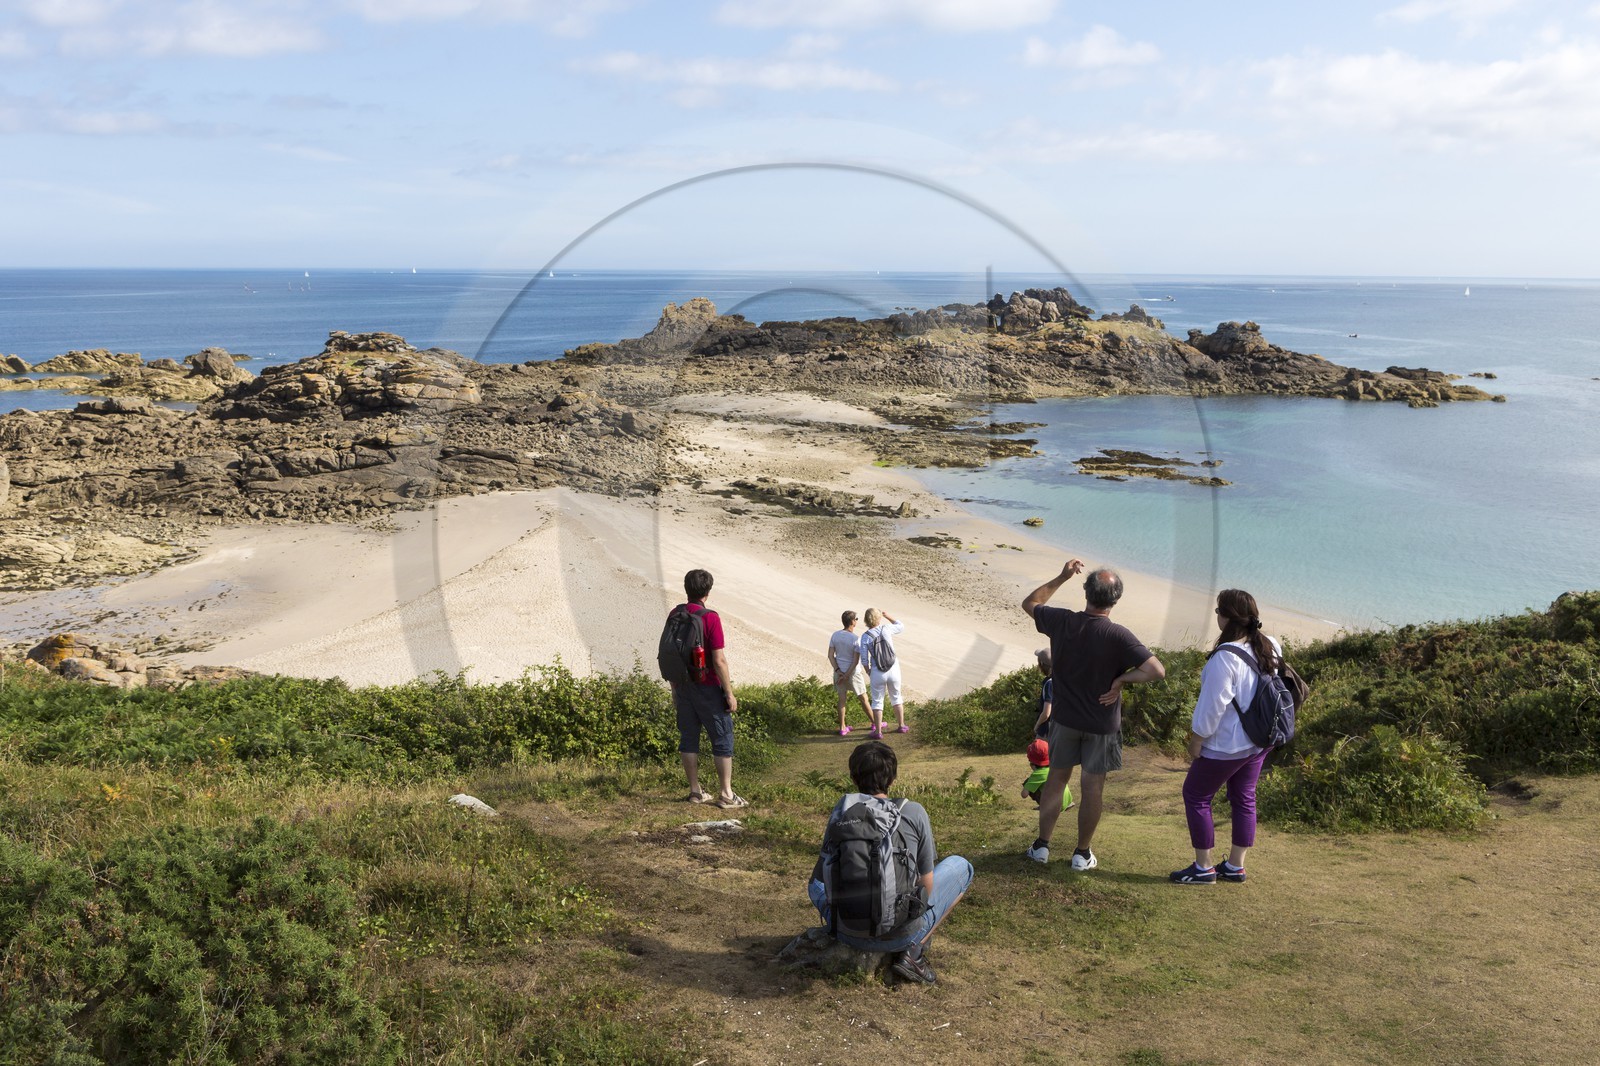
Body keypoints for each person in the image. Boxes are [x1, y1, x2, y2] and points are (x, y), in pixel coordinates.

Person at [1022, 559, 1165, 871]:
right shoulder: (1119, 635)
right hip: (1101, 724)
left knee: (1057, 781)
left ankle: (1042, 846)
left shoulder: (1061, 621)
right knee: (1092, 788)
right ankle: (1081, 853)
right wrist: (1121, 680)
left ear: (1086, 592)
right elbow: (1157, 670)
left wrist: (1061, 576)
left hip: (1064, 720)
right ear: (1115, 600)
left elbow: (1030, 602)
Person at [807, 740, 974, 984]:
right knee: (962, 866)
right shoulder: (913, 811)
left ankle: (856, 922)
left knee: (815, 885)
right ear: (892, 778)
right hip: (899, 935)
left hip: (844, 931)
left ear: (853, 778)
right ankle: (913, 952)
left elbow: (821, 877)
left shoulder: (843, 811)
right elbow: (926, 884)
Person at [1170, 589, 1281, 885]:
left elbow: (1212, 707)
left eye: (1218, 611)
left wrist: (1196, 739)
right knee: (1244, 798)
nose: (1216, 616)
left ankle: (1204, 867)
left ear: (1227, 618)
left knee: (1196, 795)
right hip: (1259, 740)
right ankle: (1235, 866)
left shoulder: (1224, 658)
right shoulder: (1271, 645)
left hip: (1227, 745)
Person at [668, 568, 746, 809]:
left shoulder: (675, 613)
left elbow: (671, 654)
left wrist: (674, 688)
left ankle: (695, 791)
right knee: (722, 737)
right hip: (708, 687)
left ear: (686, 588)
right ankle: (726, 794)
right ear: (708, 591)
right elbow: (719, 660)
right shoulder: (710, 617)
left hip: (682, 685)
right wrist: (729, 693)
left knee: (689, 738)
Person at [859, 608, 907, 737]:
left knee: (877, 700)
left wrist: (869, 671)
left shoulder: (865, 636)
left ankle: (878, 731)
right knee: (896, 696)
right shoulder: (886, 628)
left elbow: (864, 658)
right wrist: (888, 616)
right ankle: (901, 725)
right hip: (893, 668)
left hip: (877, 671)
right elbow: (901, 626)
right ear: (878, 618)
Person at [827, 610, 872, 737]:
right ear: (852, 622)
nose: (857, 620)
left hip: (839, 673)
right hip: (853, 674)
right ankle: (875, 723)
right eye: (856, 619)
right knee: (863, 698)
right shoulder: (856, 639)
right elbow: (855, 660)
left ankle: (842, 727)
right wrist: (846, 675)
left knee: (842, 700)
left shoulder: (835, 635)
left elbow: (831, 656)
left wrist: (838, 671)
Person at [1020, 737, 1073, 810]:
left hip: (1055, 806)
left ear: (1031, 761)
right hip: (1067, 802)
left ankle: (1044, 806)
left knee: (1028, 783)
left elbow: (1024, 794)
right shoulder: (1056, 767)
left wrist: (1028, 784)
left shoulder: (1037, 775)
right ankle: (1067, 804)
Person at [1033, 647, 1054, 738]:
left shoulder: (1049, 683)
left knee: (1040, 751)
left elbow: (1046, 712)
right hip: (1058, 727)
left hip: (1046, 729)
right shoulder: (1060, 680)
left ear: (1041, 664)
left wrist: (1037, 726)